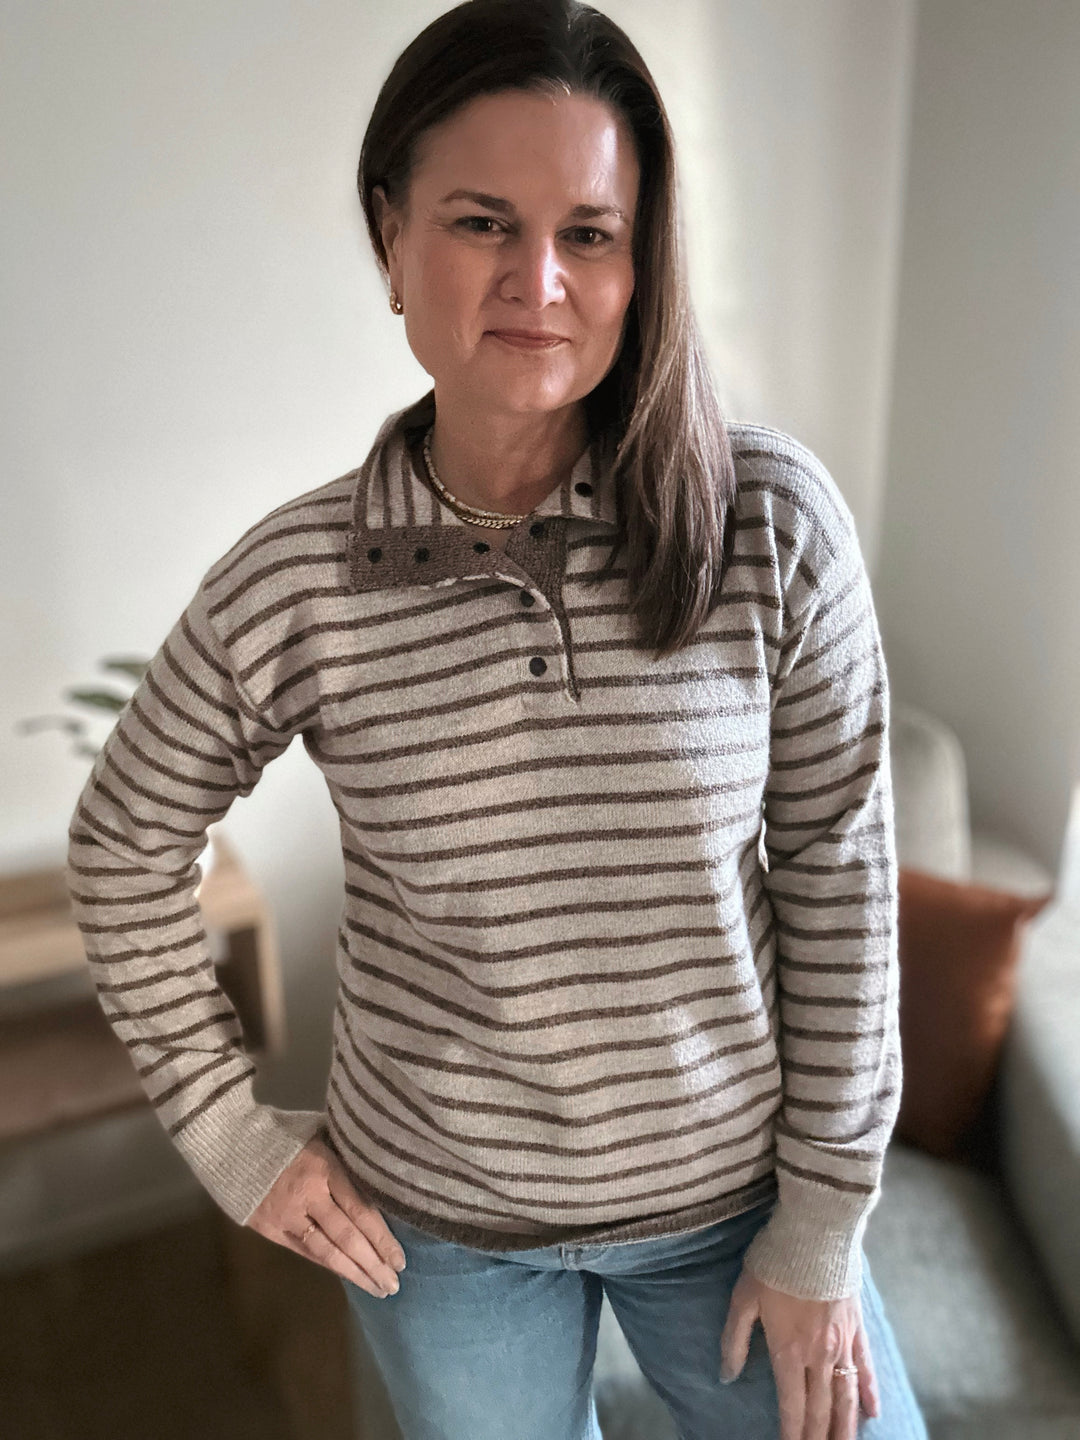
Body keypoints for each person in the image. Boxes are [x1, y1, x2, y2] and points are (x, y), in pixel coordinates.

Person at [65, 2, 929, 1437]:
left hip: (737, 1207)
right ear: (390, 235)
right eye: (482, 223)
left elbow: (842, 878)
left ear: (643, 262)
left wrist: (822, 1226)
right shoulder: (300, 577)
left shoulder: (767, 522)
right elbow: (121, 846)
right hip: (440, 1235)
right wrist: (232, 1141)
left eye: (591, 232)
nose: (540, 280)